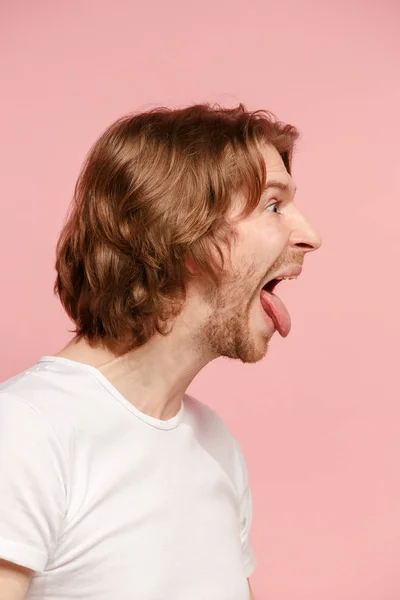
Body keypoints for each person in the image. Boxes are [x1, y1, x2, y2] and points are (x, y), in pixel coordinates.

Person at [0, 103, 322, 600]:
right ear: (180, 228)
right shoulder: (23, 433)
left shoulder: (215, 445)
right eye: (273, 206)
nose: (310, 236)